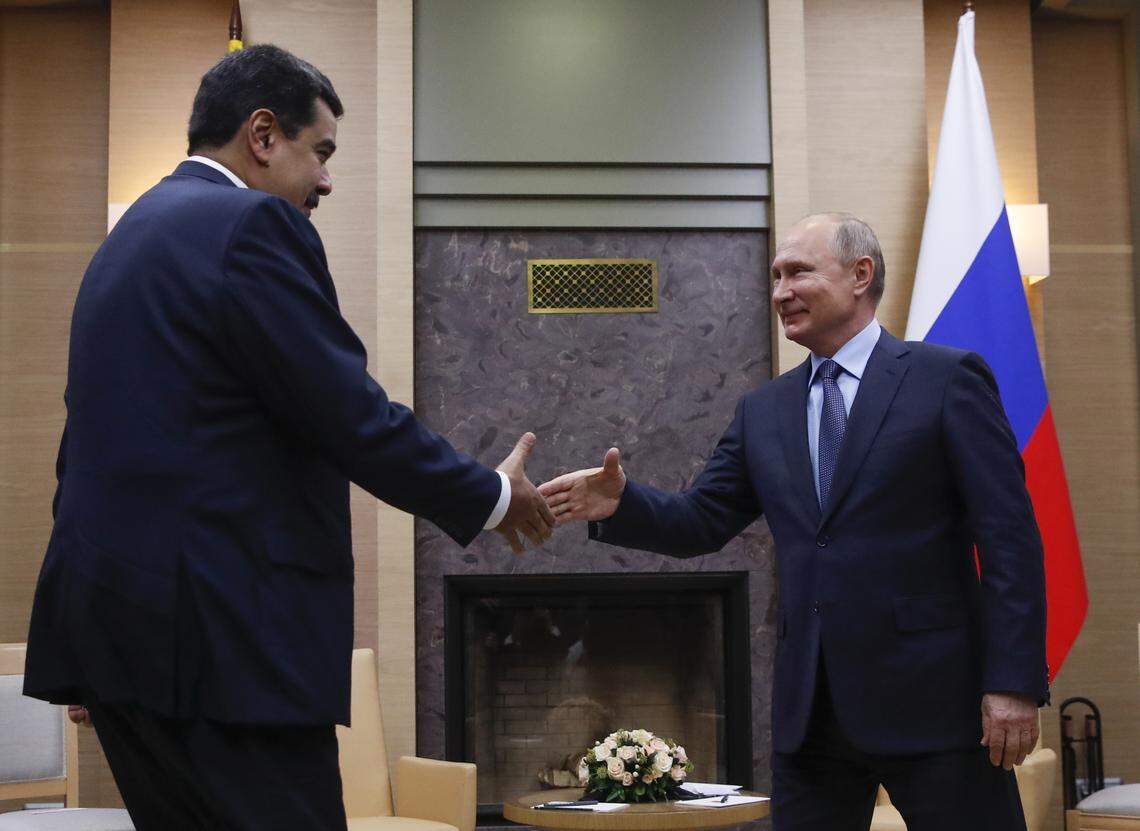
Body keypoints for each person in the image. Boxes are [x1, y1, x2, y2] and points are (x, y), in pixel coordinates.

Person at [22, 44, 553, 831]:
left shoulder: (130, 235)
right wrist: (494, 495)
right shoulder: (250, 224)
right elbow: (348, 414)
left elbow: (85, 444)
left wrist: (100, 644)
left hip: (122, 641)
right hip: (223, 648)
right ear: (263, 135)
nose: (328, 180)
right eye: (323, 152)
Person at [540, 213, 1048, 830]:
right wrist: (621, 504)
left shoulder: (944, 379)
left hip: (936, 704)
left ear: (861, 275)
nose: (780, 291)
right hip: (812, 716)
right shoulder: (765, 409)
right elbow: (702, 521)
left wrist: (1014, 682)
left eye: (798, 272)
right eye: (776, 276)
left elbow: (1010, 542)